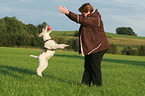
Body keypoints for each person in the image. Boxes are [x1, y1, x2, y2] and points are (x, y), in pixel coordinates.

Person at [58, 3, 109, 86]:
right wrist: (67, 13)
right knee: (87, 67)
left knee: (95, 67)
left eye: (83, 13)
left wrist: (68, 12)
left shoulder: (95, 19)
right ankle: (85, 85)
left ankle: (98, 86)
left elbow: (81, 20)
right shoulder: (88, 17)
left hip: (98, 47)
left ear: (89, 11)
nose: (82, 15)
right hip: (92, 47)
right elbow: (79, 18)